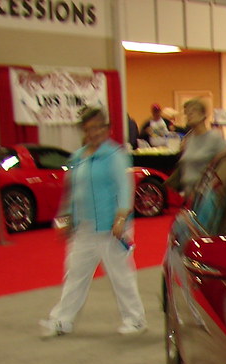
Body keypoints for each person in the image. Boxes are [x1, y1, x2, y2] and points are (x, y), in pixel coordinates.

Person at [40, 107, 147, 338]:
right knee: (75, 275)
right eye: (89, 129)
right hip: (84, 229)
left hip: (111, 228)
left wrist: (121, 218)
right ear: (83, 131)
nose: (94, 132)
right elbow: (71, 192)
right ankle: (62, 321)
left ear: (107, 129)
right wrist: (65, 219)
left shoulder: (115, 155)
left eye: (99, 127)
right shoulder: (78, 157)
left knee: (121, 276)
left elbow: (125, 188)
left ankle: (135, 319)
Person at [170, 98, 226, 197]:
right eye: (187, 112)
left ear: (203, 115)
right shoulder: (188, 139)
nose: (189, 114)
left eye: (193, 110)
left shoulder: (214, 138)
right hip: (188, 195)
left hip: (207, 196)